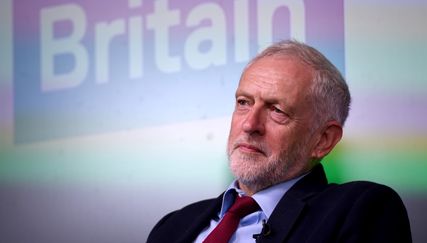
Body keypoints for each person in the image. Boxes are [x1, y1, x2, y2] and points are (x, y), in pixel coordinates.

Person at [147, 40, 412, 243]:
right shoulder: (172, 226)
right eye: (243, 103)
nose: (250, 125)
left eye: (277, 110)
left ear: (323, 139)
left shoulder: (361, 210)